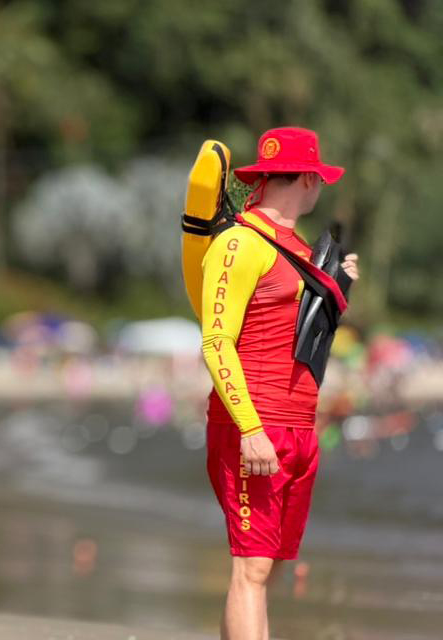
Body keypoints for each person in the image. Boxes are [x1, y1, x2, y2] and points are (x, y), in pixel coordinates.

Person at [199, 127, 359, 640]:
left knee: (269, 567)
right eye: (320, 180)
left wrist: (338, 284)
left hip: (299, 425)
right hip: (255, 424)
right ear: (308, 179)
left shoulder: (295, 246)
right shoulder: (237, 242)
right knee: (252, 569)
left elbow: (296, 329)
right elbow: (216, 342)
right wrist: (249, 428)